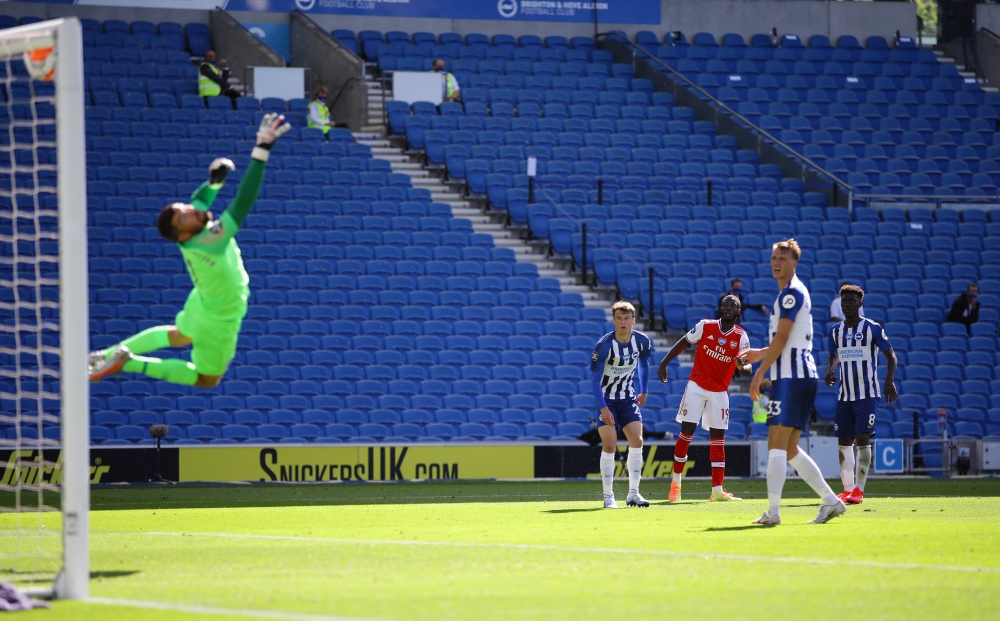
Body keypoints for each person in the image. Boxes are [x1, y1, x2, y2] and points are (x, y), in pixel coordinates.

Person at [88, 114, 291, 388]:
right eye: (185, 217)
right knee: (207, 379)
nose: (192, 211)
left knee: (179, 336)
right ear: (183, 233)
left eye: (186, 209)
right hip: (221, 315)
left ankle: (105, 356)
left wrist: (213, 184)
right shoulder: (211, 241)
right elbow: (243, 201)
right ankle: (128, 362)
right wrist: (261, 149)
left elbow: (199, 202)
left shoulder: (188, 237)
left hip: (204, 301)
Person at [747, 239, 846, 526]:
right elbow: (787, 342)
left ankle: (773, 513)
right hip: (798, 376)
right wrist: (759, 354)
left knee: (776, 444)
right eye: (774, 257)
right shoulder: (789, 295)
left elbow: (781, 339)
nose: (776, 262)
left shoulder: (791, 294)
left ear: (794, 264)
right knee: (788, 448)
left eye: (782, 258)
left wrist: (758, 374)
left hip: (791, 378)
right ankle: (831, 501)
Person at [657, 295, 751, 503]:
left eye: (732, 306)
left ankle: (717, 490)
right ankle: (675, 485)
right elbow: (684, 341)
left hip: (720, 392)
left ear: (738, 312)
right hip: (696, 387)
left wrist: (743, 367)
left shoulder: (741, 337)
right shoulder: (705, 326)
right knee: (686, 433)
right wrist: (664, 362)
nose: (728, 308)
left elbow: (746, 364)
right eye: (725, 305)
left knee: (718, 439)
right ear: (720, 309)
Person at [825, 284, 898, 505]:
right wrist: (829, 371)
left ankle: (859, 490)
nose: (847, 304)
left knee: (862, 439)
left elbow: (891, 356)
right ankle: (847, 490)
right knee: (844, 442)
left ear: (860, 303)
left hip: (867, 394)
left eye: (851, 301)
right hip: (844, 395)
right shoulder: (836, 331)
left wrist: (889, 381)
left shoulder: (872, 328)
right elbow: (833, 356)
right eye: (844, 301)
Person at [590, 301, 653, 509]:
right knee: (610, 444)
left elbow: (644, 364)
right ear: (614, 320)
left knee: (638, 440)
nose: (623, 322)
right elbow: (594, 380)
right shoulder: (604, 345)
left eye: (627, 318)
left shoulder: (642, 341)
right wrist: (603, 408)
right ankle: (608, 496)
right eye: (619, 318)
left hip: (627, 398)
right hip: (607, 399)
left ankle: (633, 494)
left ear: (633, 321)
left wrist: (643, 390)